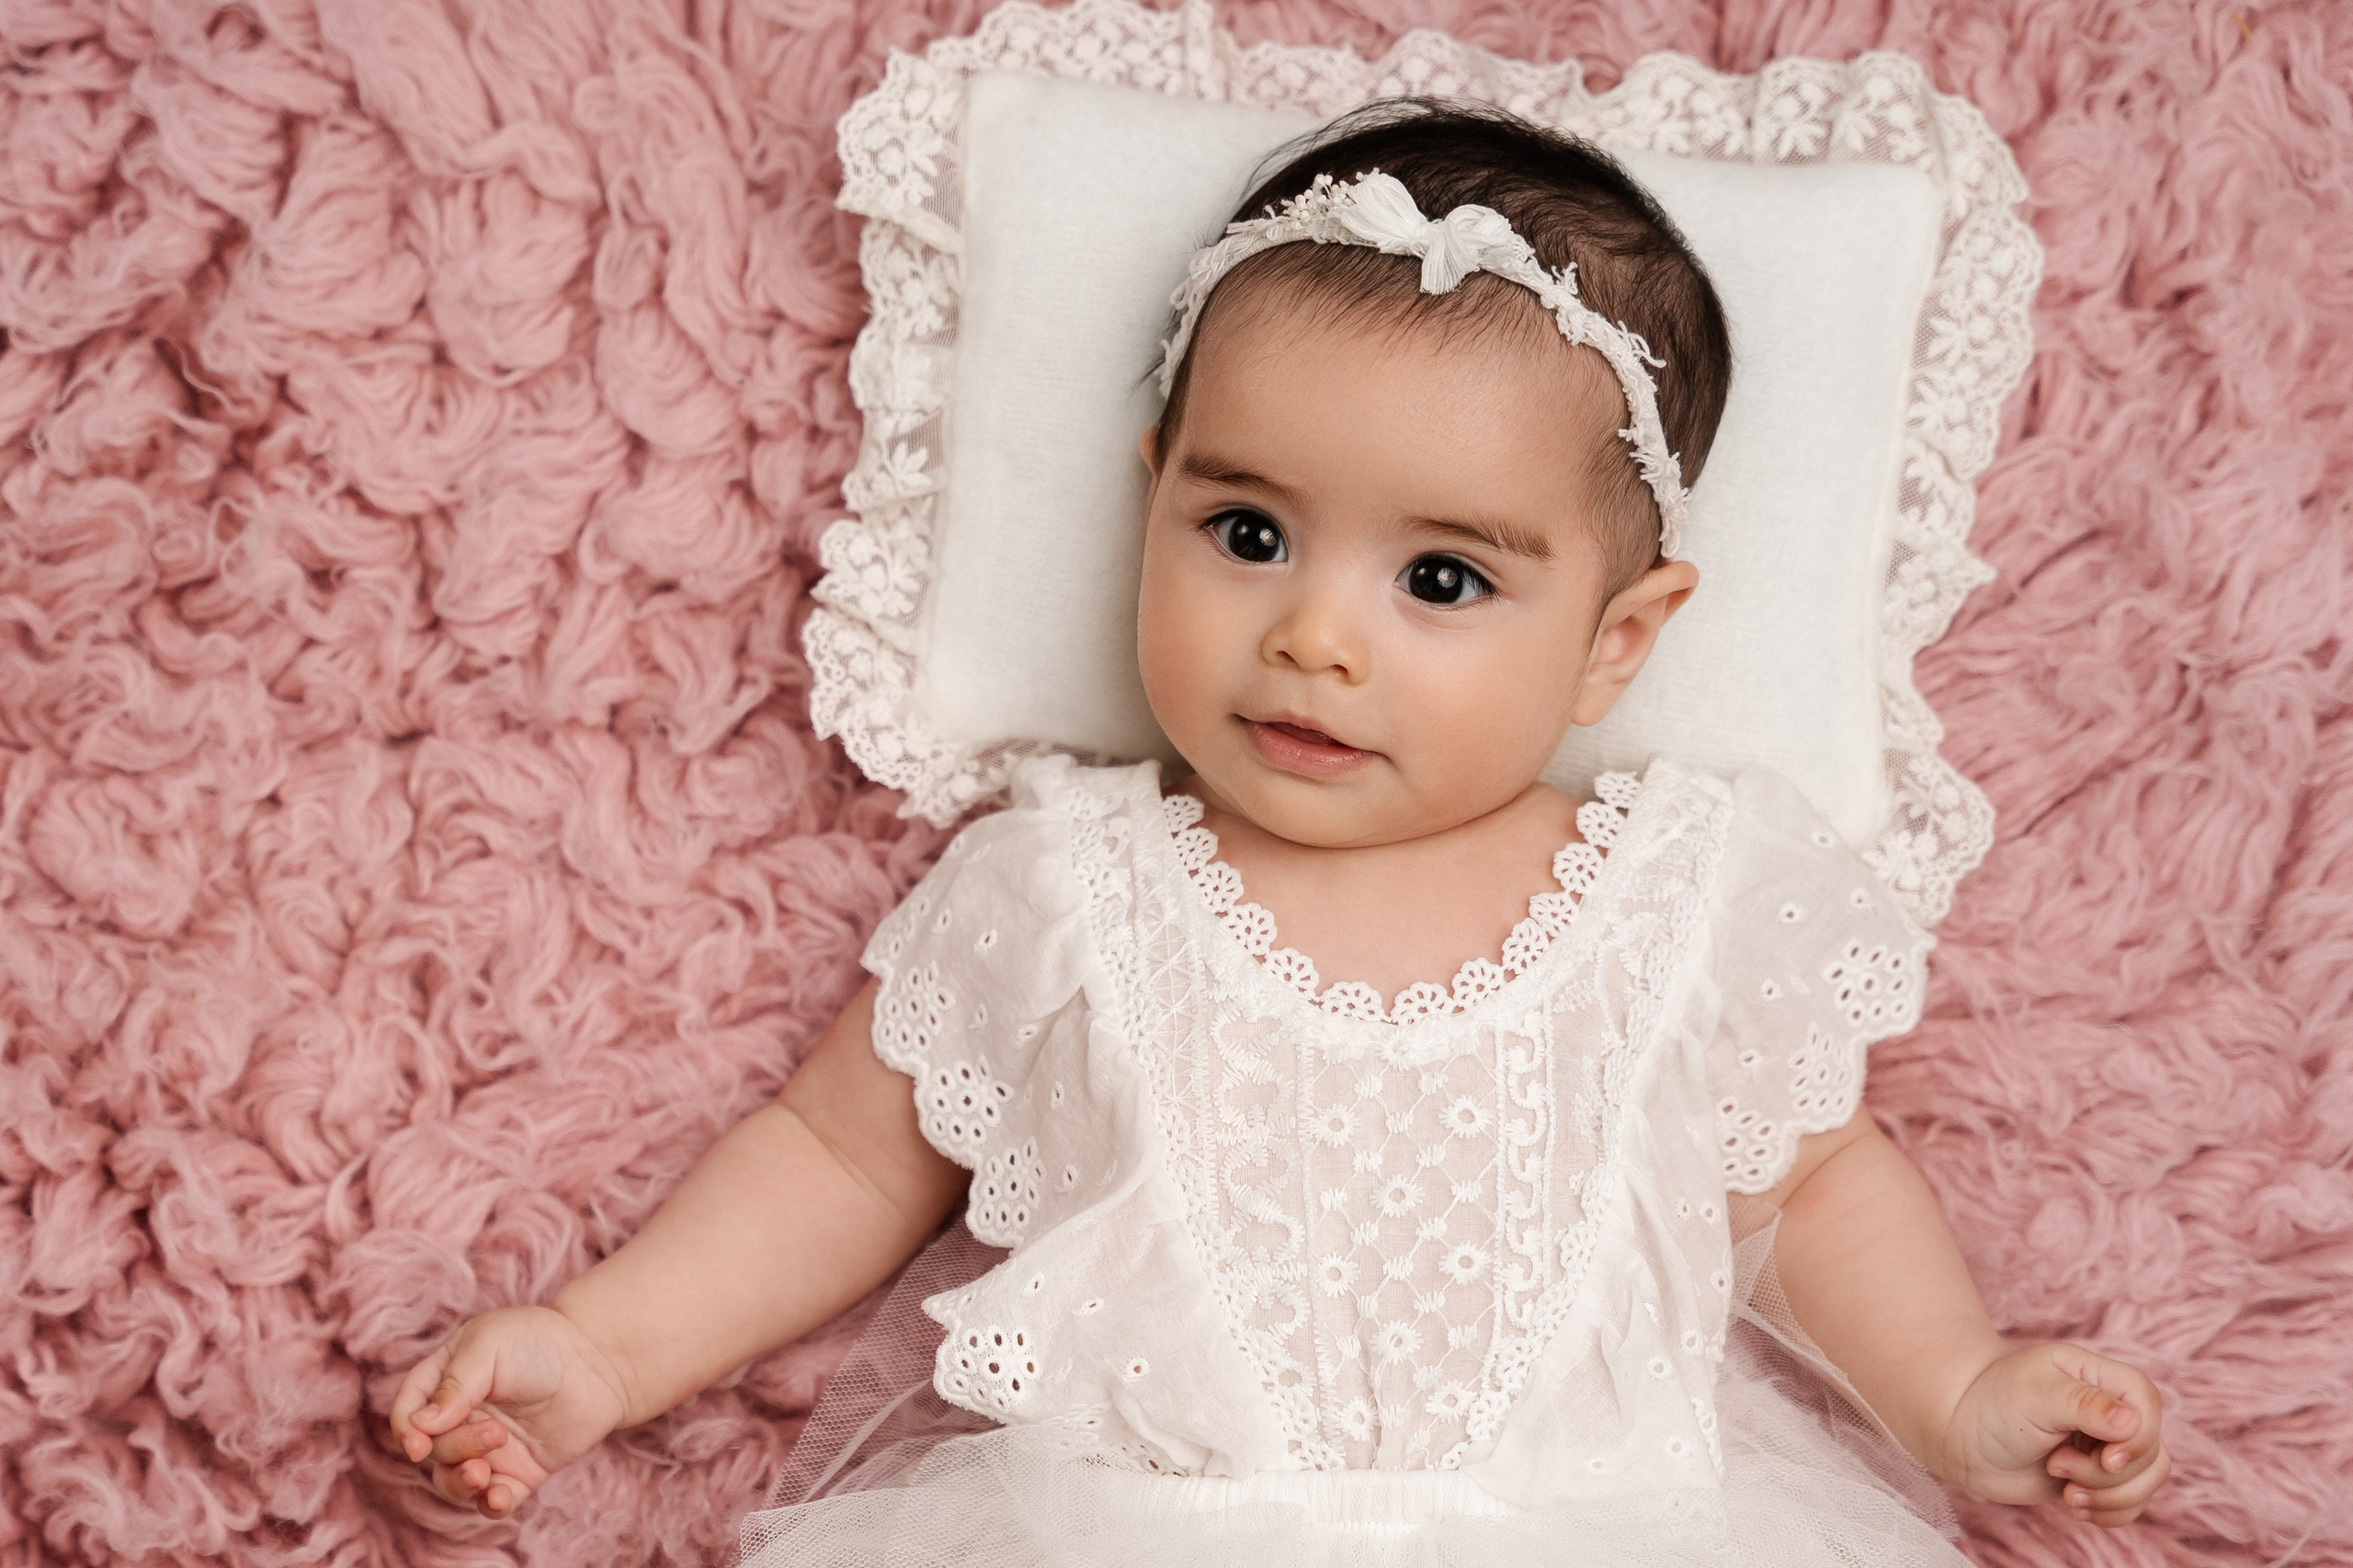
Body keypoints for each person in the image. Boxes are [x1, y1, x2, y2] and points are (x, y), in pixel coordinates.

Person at [390, 102, 2170, 1563]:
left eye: (1440, 576)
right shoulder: (1068, 888)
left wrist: (1953, 1387)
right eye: (1246, 534)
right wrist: (604, 1350)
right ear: (1151, 488)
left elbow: (1810, 1175)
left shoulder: (1678, 895)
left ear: (1614, 641)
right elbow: (840, 1159)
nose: (1315, 633)